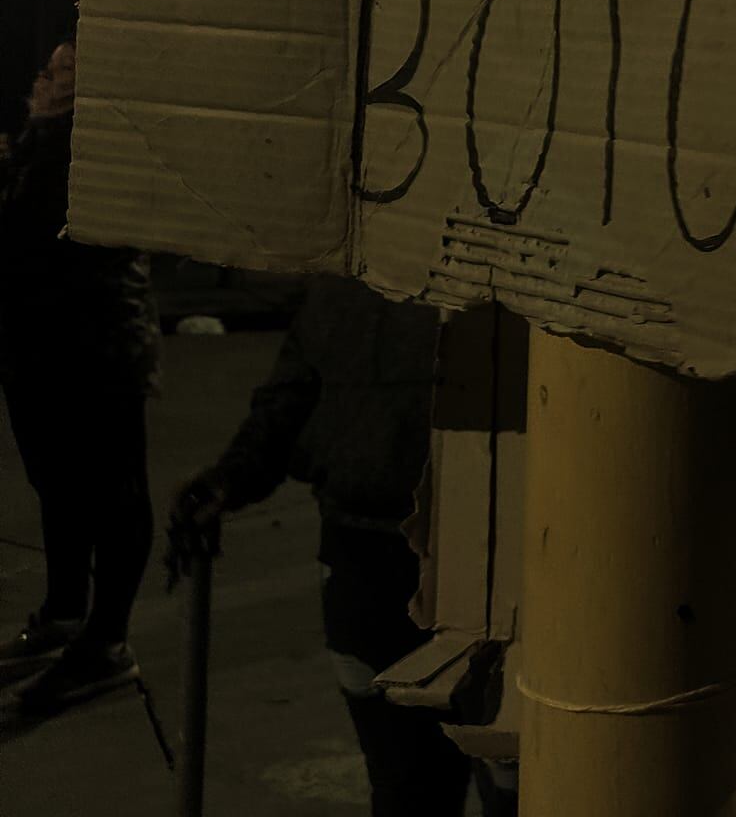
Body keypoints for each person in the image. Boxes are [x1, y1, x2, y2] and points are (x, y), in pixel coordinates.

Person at [163, 278, 512, 816]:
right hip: (378, 563)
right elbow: (297, 393)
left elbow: (293, 395)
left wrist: (233, 476)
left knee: (488, 780)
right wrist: (230, 478)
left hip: (470, 562)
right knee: (426, 782)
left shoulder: (360, 271)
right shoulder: (351, 277)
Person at [0, 40, 159, 717]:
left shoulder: (91, 149)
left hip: (93, 352)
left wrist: (26, 151)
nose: (45, 70)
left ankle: (105, 641)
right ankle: (67, 612)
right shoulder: (42, 145)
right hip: (37, 348)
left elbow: (28, 234)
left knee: (111, 494)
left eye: (60, 69)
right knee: (59, 487)